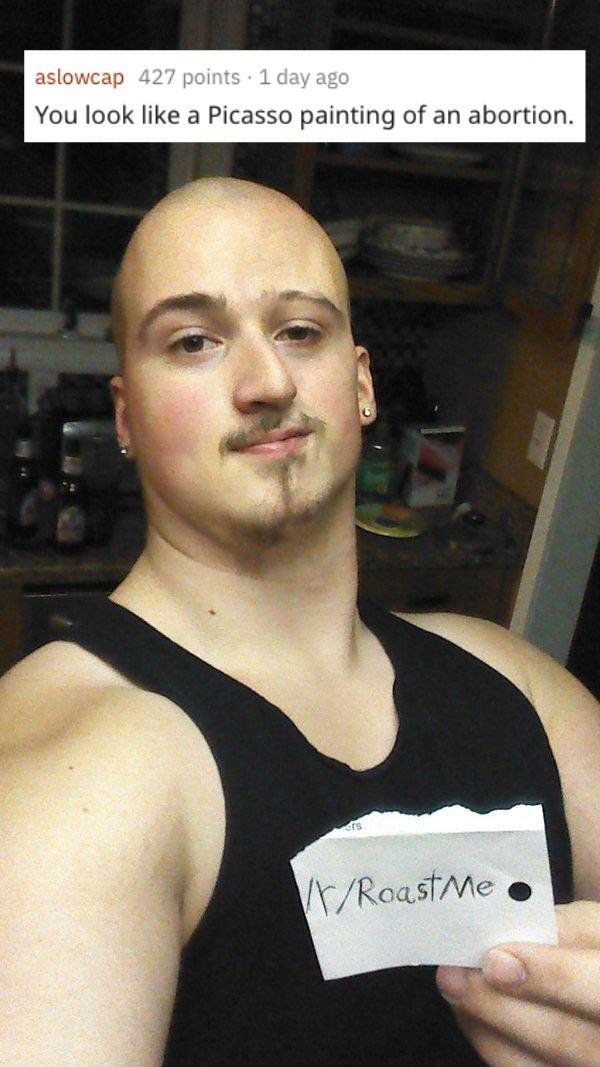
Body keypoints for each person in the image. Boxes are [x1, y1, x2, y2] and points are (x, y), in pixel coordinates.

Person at [0, 177, 598, 1067]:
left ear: (360, 384)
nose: (267, 382)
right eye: (194, 341)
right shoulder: (83, 763)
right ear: (126, 416)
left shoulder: (514, 682)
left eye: (301, 331)